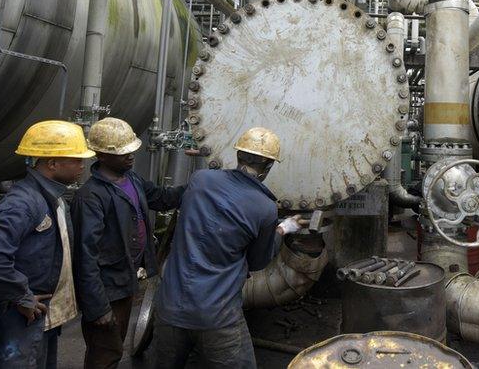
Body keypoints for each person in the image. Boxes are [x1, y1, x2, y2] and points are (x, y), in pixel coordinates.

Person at [0, 120, 94, 369]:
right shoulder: (23, 204)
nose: (82, 165)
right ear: (52, 163)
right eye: (76, 159)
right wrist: (22, 295)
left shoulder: (52, 199)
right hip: (16, 320)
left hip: (35, 320)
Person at [152, 127, 306, 368]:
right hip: (217, 316)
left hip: (170, 307)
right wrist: (283, 229)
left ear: (238, 156)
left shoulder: (200, 180)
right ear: (268, 167)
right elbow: (257, 262)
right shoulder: (265, 208)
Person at [72, 117, 187, 368]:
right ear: (101, 155)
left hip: (124, 281)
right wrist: (98, 307)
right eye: (123, 152)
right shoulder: (91, 197)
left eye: (132, 150)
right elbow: (85, 256)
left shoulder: (132, 180)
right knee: (105, 353)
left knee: (114, 346)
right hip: (107, 288)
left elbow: (162, 197)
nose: (131, 156)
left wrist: (197, 186)